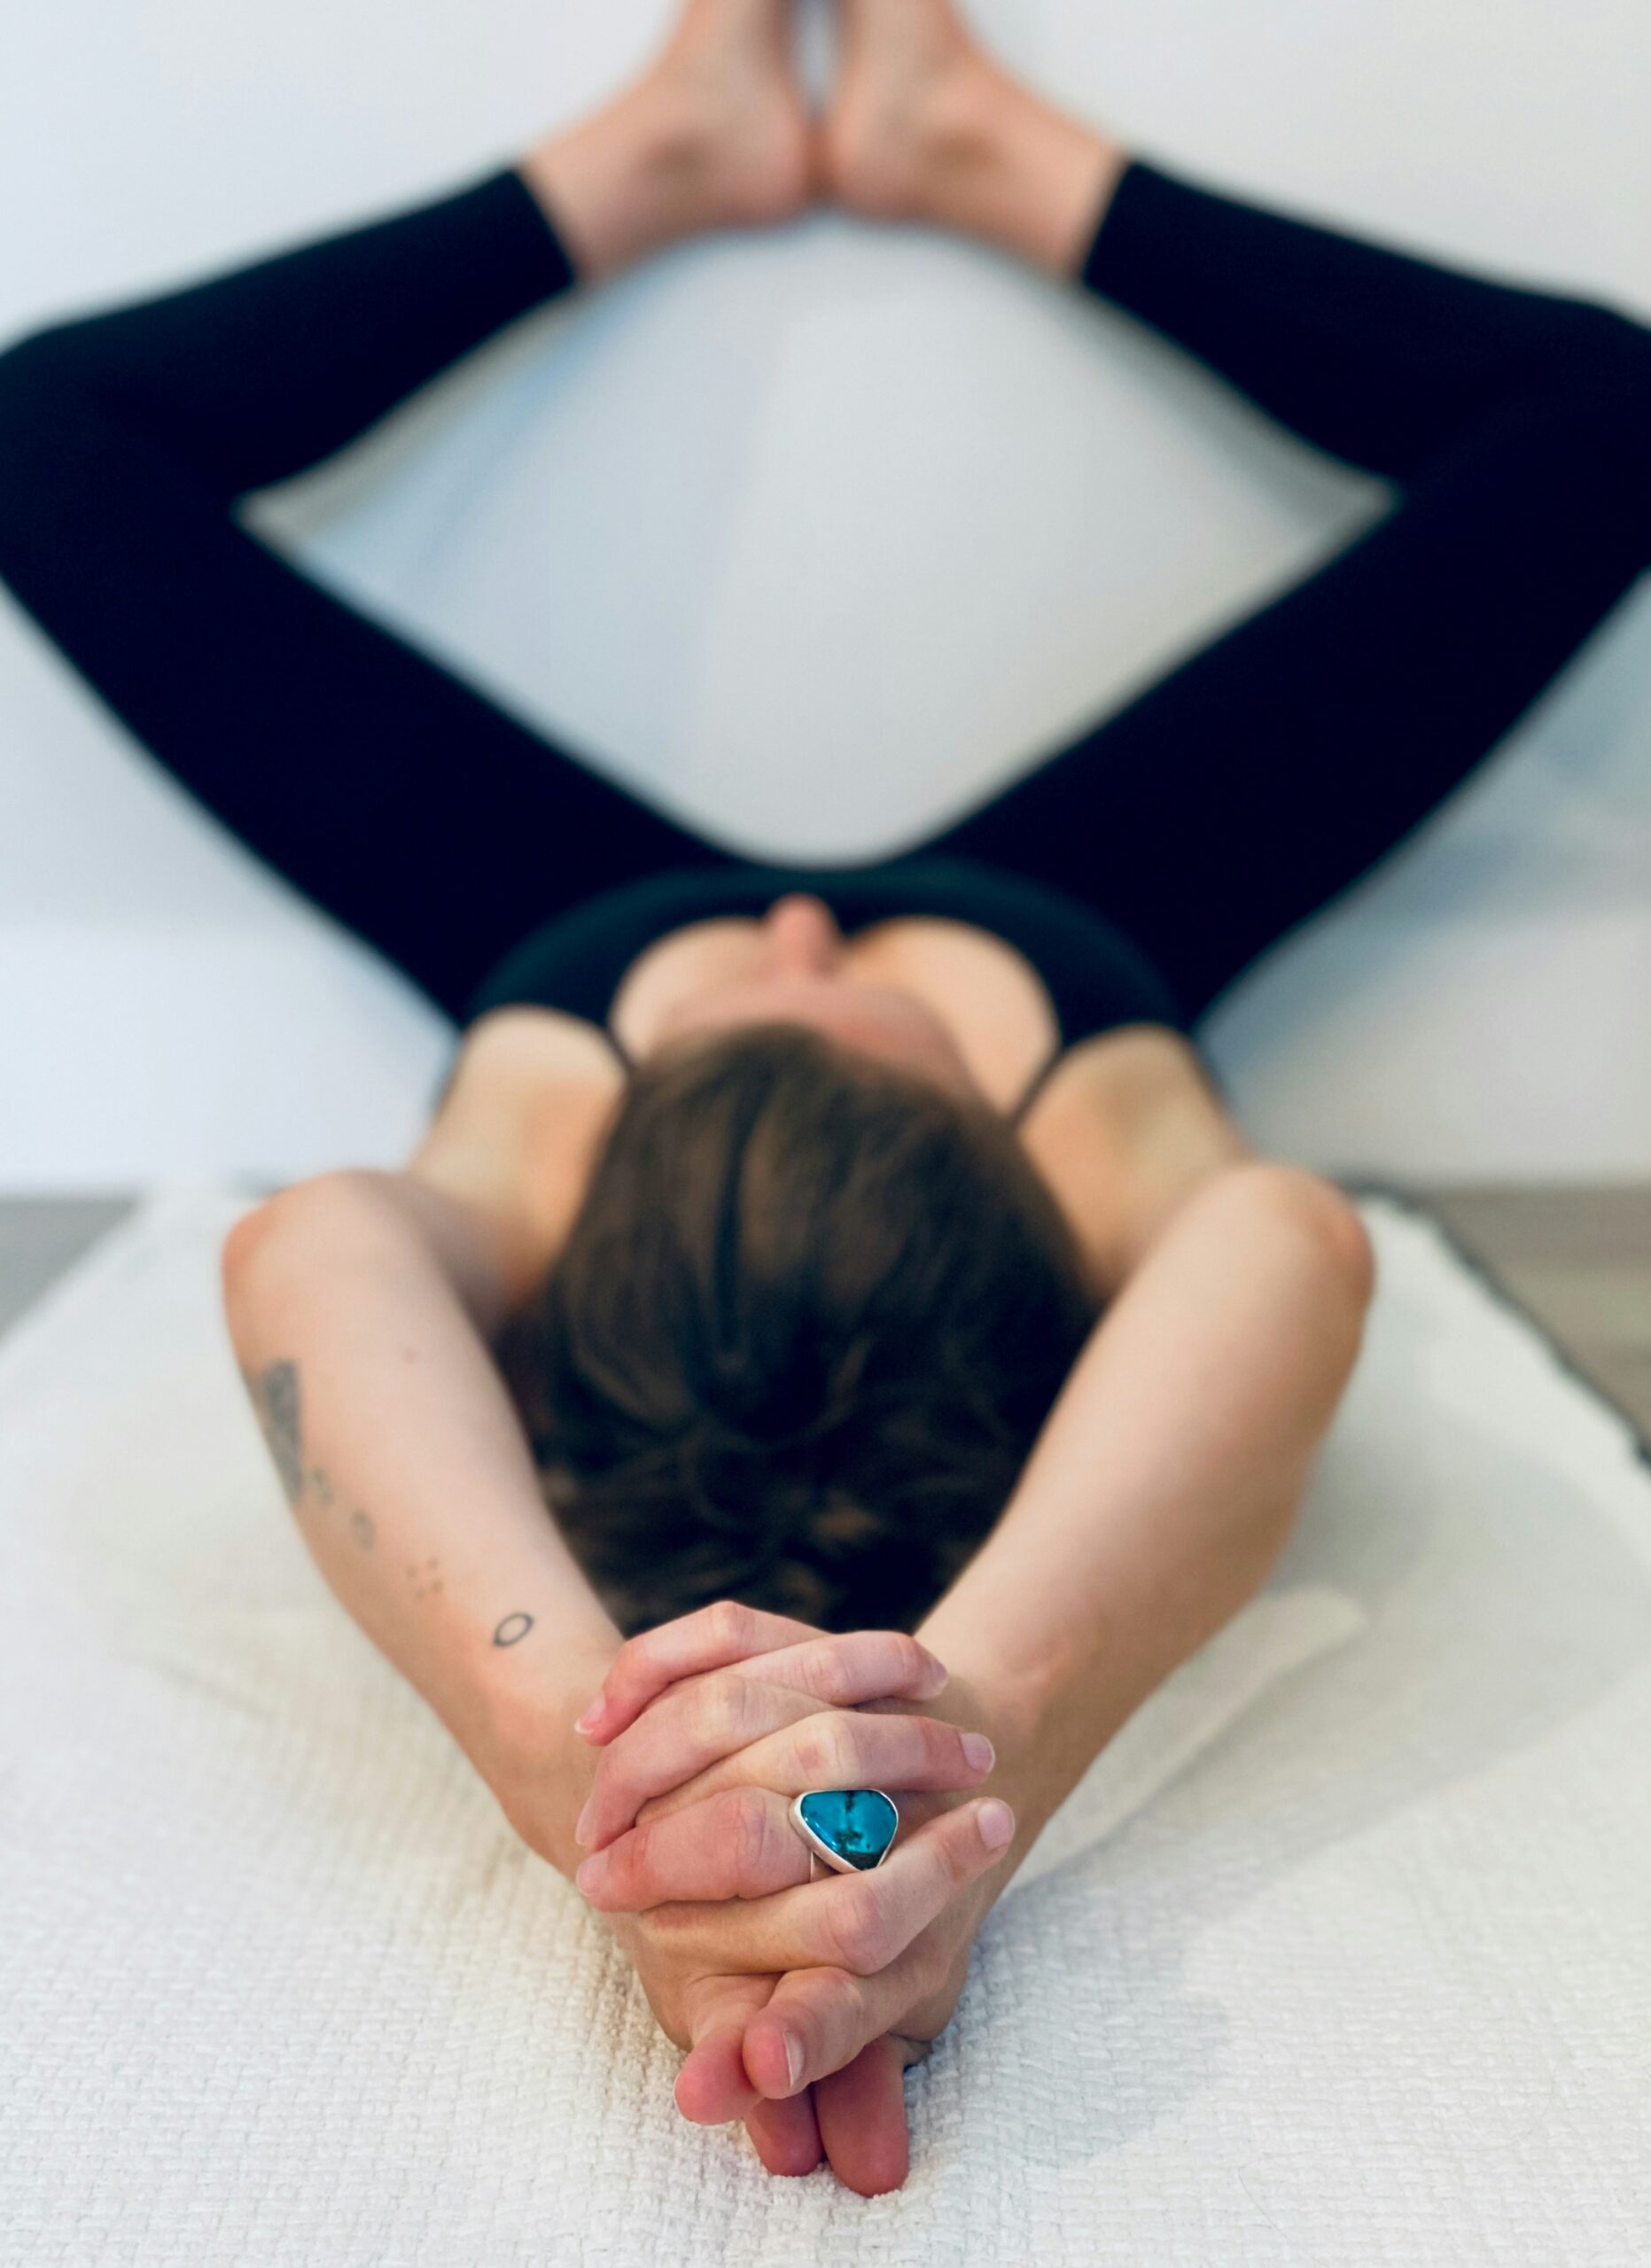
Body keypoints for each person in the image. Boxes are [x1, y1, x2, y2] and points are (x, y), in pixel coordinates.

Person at [1, 0, 1647, 2200]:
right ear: (1011, 1167)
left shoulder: (538, 1152)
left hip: (564, 924)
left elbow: (310, 1249)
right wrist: (968, 1759)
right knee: (1604, 420)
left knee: (43, 443)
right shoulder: (1101, 1153)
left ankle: (647, 161)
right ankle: (978, 143)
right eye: (848, 1003)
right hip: (1077, 920)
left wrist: (571, 1760)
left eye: (756, 1000)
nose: (799, 926)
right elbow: (1288, 1249)